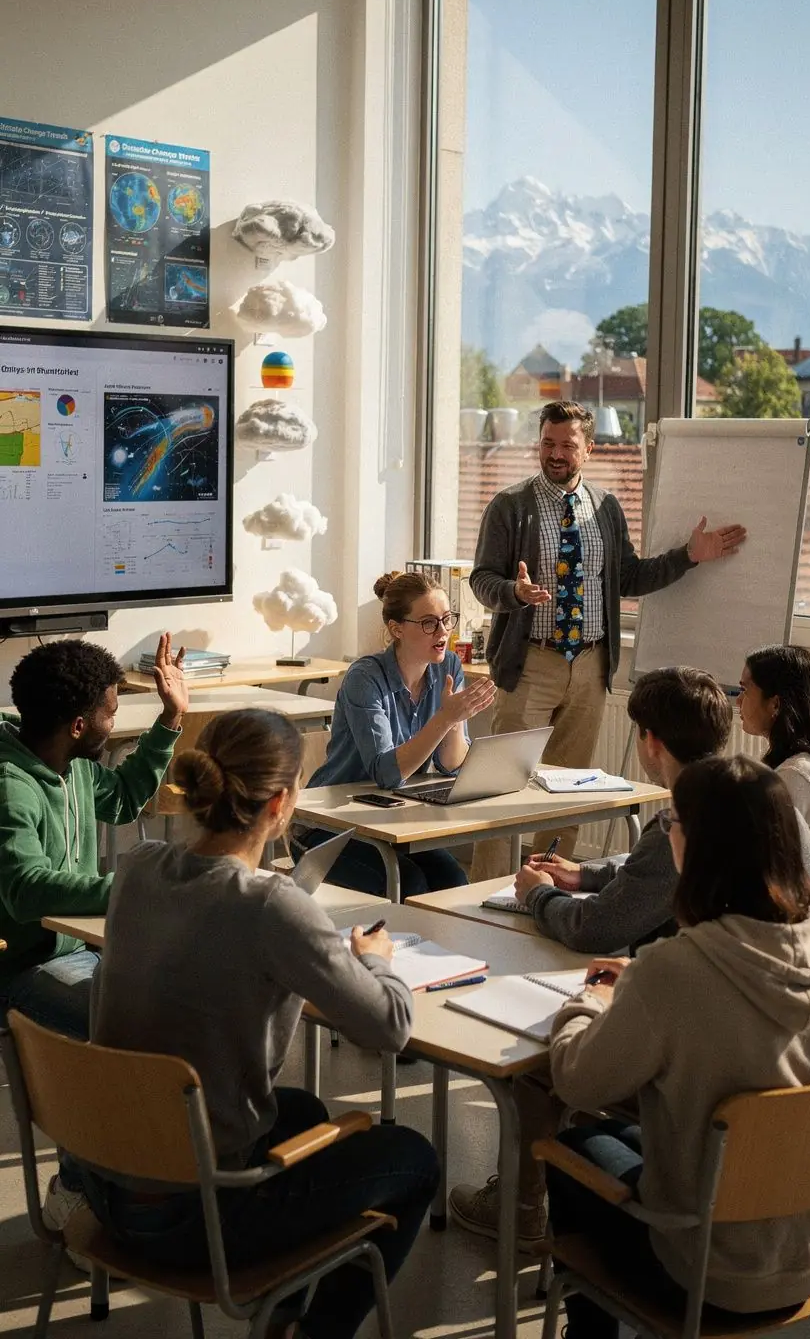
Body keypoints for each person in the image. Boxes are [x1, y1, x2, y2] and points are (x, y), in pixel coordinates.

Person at [85, 708, 439, 1339]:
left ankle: (282, 1317)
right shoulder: (275, 906)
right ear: (282, 802)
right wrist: (377, 963)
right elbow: (389, 1028)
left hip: (107, 1188)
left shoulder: (136, 870)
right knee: (414, 1158)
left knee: (299, 1111)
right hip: (195, 1217)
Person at [545, 755, 810, 1337]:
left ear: (698, 845)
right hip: (803, 1261)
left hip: (703, 1275)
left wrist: (588, 1001)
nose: (667, 831)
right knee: (620, 1135)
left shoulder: (673, 970)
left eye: (673, 820)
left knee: (571, 1145)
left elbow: (576, 1078)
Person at [468, 400, 746, 878]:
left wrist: (688, 556)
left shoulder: (605, 507)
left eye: (567, 445)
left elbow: (630, 577)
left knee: (571, 787)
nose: (555, 454)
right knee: (503, 786)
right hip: (530, 662)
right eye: (547, 443)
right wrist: (514, 591)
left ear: (589, 449)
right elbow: (481, 580)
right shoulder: (510, 506)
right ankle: (481, 892)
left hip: (592, 666)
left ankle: (544, 885)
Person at [0, 633, 188, 1239]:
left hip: (75, 947)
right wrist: (131, 888)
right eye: (112, 709)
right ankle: (78, 1194)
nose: (116, 717)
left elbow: (127, 798)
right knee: (115, 1024)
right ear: (81, 724)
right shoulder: (10, 784)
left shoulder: (73, 765)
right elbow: (25, 887)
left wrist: (170, 720)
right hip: (18, 967)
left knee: (165, 1003)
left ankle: (141, 1182)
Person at [300, 570, 496, 895]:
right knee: (410, 885)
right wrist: (445, 718)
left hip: (389, 820)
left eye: (447, 619)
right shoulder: (364, 678)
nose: (443, 631)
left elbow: (450, 763)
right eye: (429, 622)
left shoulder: (448, 666)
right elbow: (388, 774)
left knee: (454, 882)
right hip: (328, 827)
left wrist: (455, 720)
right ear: (397, 629)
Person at [510, 667, 733, 953]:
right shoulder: (747, 799)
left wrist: (537, 893)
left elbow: (592, 929)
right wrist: (586, 874)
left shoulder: (679, 827)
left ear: (651, 742)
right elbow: (658, 878)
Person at [738, 644, 810, 838]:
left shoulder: (794, 775)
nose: (738, 700)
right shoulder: (799, 763)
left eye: (744, 690)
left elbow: (769, 859)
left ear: (775, 704)